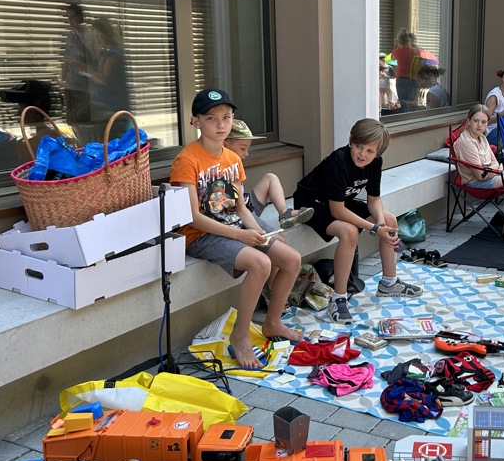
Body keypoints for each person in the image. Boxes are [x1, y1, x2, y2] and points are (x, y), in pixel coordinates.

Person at [170, 88, 304, 368]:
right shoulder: (187, 160)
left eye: (226, 118)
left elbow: (241, 207)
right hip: (201, 234)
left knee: (291, 259)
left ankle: (272, 322)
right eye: (211, 118)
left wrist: (260, 233)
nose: (220, 125)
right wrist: (241, 235)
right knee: (260, 263)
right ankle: (240, 336)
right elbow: (192, 217)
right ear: (195, 122)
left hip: (232, 225)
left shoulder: (232, 159)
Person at [293, 118, 422, 323]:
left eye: (370, 151)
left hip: (337, 202)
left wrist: (381, 223)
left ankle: (389, 283)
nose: (362, 154)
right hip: (310, 203)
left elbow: (374, 199)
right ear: (350, 142)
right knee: (349, 232)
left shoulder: (375, 163)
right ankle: (339, 299)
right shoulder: (338, 160)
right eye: (358, 147)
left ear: (378, 153)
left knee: (389, 219)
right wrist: (374, 228)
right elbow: (337, 211)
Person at [222, 119, 314, 229]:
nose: (246, 153)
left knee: (270, 178)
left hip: (246, 207)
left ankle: (285, 213)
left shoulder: (235, 164)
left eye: (247, 148)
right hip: (237, 216)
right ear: (225, 145)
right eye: (242, 148)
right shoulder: (215, 170)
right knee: (278, 240)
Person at [81, 18, 132, 142]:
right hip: (104, 108)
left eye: (96, 33)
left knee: (112, 143)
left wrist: (86, 69)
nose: (94, 37)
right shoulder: (104, 53)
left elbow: (105, 79)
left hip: (114, 109)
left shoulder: (114, 54)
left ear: (104, 34)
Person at [61, 4, 93, 128]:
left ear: (80, 17)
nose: (70, 21)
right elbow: (66, 57)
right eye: (68, 18)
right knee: (72, 120)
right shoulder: (69, 35)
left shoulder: (89, 35)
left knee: (83, 119)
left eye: (72, 17)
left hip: (84, 84)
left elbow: (94, 58)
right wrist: (63, 77)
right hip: (71, 83)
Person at [389, 29, 418, 111]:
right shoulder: (415, 51)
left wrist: (395, 45)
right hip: (413, 79)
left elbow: (391, 58)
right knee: (413, 103)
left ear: (400, 41)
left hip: (401, 80)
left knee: (403, 102)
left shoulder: (398, 51)